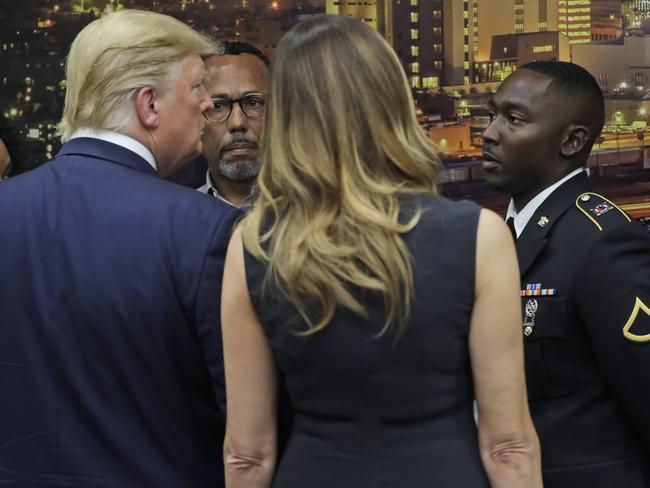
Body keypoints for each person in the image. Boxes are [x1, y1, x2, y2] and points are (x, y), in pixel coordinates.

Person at [221, 14, 541, 488]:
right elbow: (508, 447)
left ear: (288, 116)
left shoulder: (252, 245)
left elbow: (247, 457)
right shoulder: (481, 237)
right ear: (392, 102)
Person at [0, 9, 239, 487]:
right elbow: (242, 414)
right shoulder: (206, 229)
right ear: (148, 104)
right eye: (196, 88)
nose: (208, 103)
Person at [482, 60, 650, 487]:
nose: (489, 133)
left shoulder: (602, 243)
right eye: (492, 115)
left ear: (572, 140)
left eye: (514, 120)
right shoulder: (501, 236)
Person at [198, 41, 269, 209]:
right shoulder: (178, 218)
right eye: (218, 106)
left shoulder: (318, 212)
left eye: (253, 103)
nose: (237, 123)